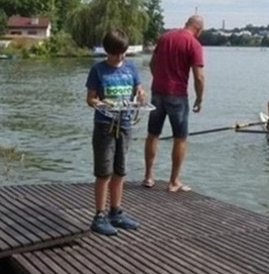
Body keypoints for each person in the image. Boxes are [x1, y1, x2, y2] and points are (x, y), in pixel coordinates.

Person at [86, 29, 145, 236]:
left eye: (122, 53)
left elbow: (139, 90)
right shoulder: (98, 70)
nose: (119, 57)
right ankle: (99, 215)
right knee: (104, 172)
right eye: (115, 54)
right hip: (105, 125)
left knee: (120, 170)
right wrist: (102, 103)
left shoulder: (131, 68)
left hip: (126, 124)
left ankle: (116, 211)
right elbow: (90, 99)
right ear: (107, 52)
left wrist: (141, 94)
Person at [143, 15, 205, 192]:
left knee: (153, 134)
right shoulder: (193, 44)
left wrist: (160, 80)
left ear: (186, 24)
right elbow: (199, 77)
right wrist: (199, 98)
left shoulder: (165, 37)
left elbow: (152, 64)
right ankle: (173, 181)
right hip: (177, 95)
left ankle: (148, 176)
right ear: (199, 29)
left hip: (157, 92)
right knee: (180, 138)